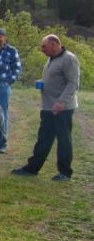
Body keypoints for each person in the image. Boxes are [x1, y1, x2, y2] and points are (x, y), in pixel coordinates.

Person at [12, 34, 80, 181]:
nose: (42, 49)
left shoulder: (69, 59)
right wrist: (42, 82)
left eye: (44, 46)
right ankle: (32, 169)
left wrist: (61, 102)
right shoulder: (51, 58)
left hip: (62, 109)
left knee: (63, 140)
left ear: (54, 44)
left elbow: (73, 83)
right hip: (48, 107)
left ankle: (65, 173)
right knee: (43, 139)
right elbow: (55, 78)